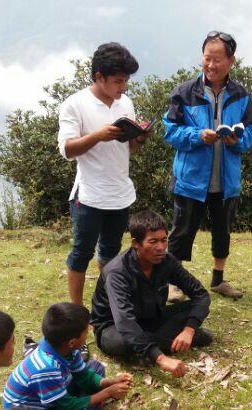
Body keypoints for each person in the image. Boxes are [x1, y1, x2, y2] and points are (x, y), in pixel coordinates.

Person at [162, 30, 252, 300]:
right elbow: (170, 131)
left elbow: (251, 131)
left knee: (222, 232)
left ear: (231, 61)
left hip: (226, 180)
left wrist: (236, 141)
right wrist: (197, 136)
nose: (211, 65)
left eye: (217, 60)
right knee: (181, 232)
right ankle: (173, 283)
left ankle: (218, 280)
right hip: (190, 179)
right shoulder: (184, 92)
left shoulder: (241, 95)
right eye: (207, 58)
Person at [58, 42, 146, 306]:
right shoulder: (75, 104)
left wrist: (141, 137)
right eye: (118, 81)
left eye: (126, 81)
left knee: (110, 253)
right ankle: (77, 311)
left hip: (120, 193)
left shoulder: (125, 103)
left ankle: (107, 304)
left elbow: (129, 148)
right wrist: (97, 135)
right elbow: (67, 149)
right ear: (99, 77)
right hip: (89, 195)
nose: (123, 87)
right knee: (81, 254)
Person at [91, 210, 212, 378]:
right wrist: (161, 358)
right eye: (153, 241)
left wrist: (189, 330)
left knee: (195, 306)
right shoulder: (117, 272)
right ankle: (163, 344)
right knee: (120, 342)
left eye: (164, 240)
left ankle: (150, 346)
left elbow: (201, 294)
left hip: (151, 318)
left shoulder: (166, 261)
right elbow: (124, 321)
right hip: (114, 327)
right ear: (136, 243)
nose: (160, 247)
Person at [4, 302, 133, 410]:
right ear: (72, 342)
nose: (90, 331)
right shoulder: (45, 368)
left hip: (55, 396)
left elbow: (84, 376)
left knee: (96, 367)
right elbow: (66, 405)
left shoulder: (66, 348)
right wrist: (107, 393)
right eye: (86, 331)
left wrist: (110, 383)